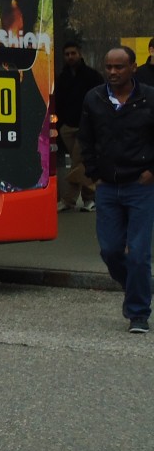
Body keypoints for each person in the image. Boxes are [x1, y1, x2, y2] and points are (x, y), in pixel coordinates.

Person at [79, 46, 154, 334]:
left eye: (119, 67)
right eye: (108, 66)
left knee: (138, 255)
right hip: (107, 188)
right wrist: (94, 173)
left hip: (141, 186)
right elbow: (86, 139)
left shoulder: (149, 98)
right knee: (110, 251)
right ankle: (135, 285)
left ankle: (138, 314)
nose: (112, 72)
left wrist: (152, 171)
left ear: (133, 67)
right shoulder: (94, 98)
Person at [55, 41, 104, 212]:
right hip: (67, 127)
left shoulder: (92, 76)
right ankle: (87, 198)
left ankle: (71, 200)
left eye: (73, 53)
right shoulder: (62, 78)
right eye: (67, 54)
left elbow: (101, 99)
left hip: (86, 127)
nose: (70, 57)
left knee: (78, 161)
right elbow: (58, 102)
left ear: (80, 54)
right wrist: (61, 125)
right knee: (81, 163)